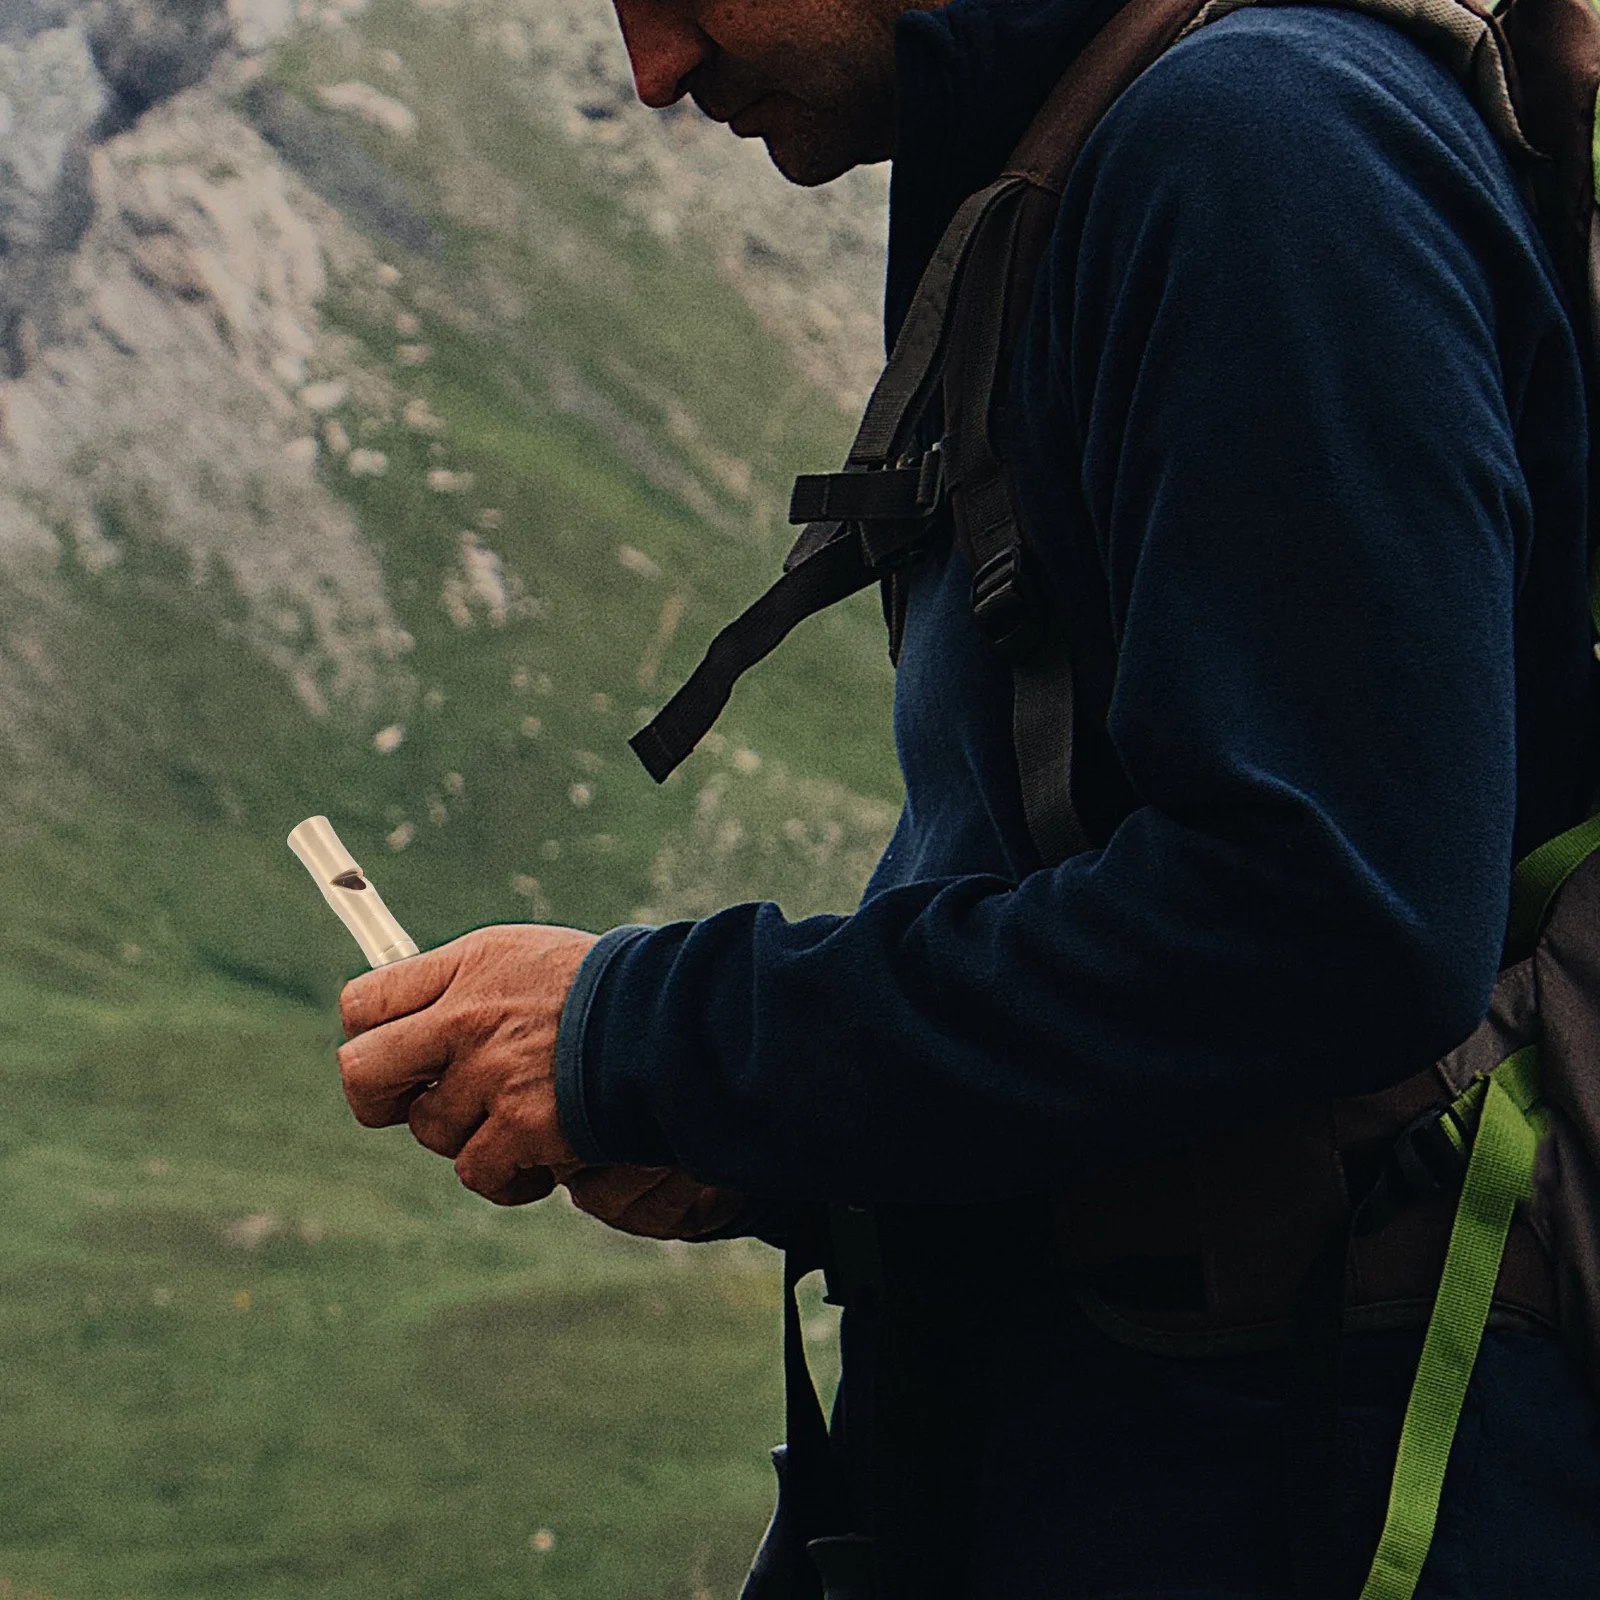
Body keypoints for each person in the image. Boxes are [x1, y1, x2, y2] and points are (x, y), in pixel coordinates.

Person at [334, 0, 1600, 1591]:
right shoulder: (1089, 160)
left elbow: (1334, 917)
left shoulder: (1265, 147)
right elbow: (1067, 875)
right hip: (1117, 1443)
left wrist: (655, 1029)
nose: (652, 70)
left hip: (1295, 1485)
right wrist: (771, 1135)